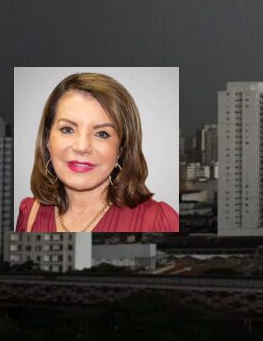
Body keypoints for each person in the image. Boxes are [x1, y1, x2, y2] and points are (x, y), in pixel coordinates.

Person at [16, 72, 178, 233]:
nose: (82, 147)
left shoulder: (158, 221)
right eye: (67, 129)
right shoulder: (29, 214)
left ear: (121, 149)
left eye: (102, 134)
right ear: (47, 140)